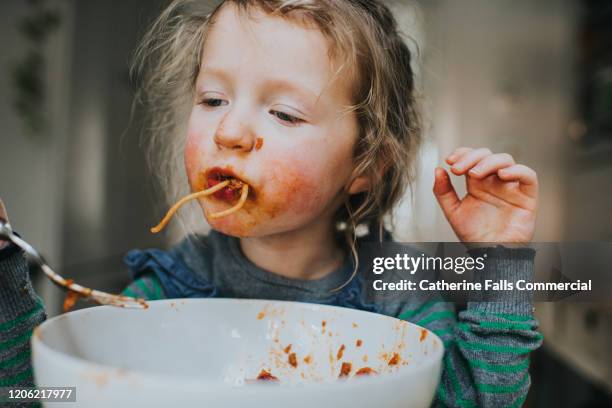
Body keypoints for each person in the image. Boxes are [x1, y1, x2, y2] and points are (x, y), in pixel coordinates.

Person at [0, 1, 542, 406]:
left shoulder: (400, 299)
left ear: (364, 165)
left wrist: (500, 263)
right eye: (212, 100)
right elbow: (40, 397)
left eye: (283, 113)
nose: (230, 130)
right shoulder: (166, 293)